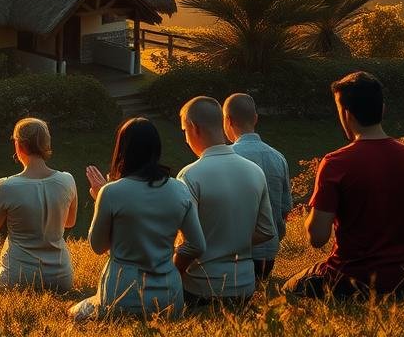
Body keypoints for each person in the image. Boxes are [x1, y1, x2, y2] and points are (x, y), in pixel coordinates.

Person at [284, 71, 404, 298]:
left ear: (346, 114)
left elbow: (317, 237)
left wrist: (312, 211)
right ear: (383, 109)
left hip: (347, 281)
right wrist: (390, 232)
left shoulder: (335, 163)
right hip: (403, 282)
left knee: (287, 289)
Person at [70, 117, 204, 321]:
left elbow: (98, 246)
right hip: (169, 300)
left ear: (122, 149)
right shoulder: (180, 189)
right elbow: (197, 245)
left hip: (121, 298)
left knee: (72, 311)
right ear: (156, 149)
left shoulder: (111, 193)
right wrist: (167, 265)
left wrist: (100, 199)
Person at [175, 97, 275, 305]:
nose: (186, 139)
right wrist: (233, 240)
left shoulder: (190, 176)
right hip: (245, 285)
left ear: (194, 127)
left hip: (201, 287)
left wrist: (173, 272)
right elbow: (267, 231)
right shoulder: (254, 171)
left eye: (184, 130)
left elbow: (190, 245)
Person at [0, 117, 78, 293]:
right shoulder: (67, 180)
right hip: (62, 279)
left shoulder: (6, 186)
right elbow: (69, 222)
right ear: (46, 144)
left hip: (18, 279)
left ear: (19, 146)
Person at [224, 93, 293, 281]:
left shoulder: (227, 157)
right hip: (269, 256)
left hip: (235, 256)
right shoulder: (278, 157)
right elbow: (286, 208)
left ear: (227, 120)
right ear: (255, 118)